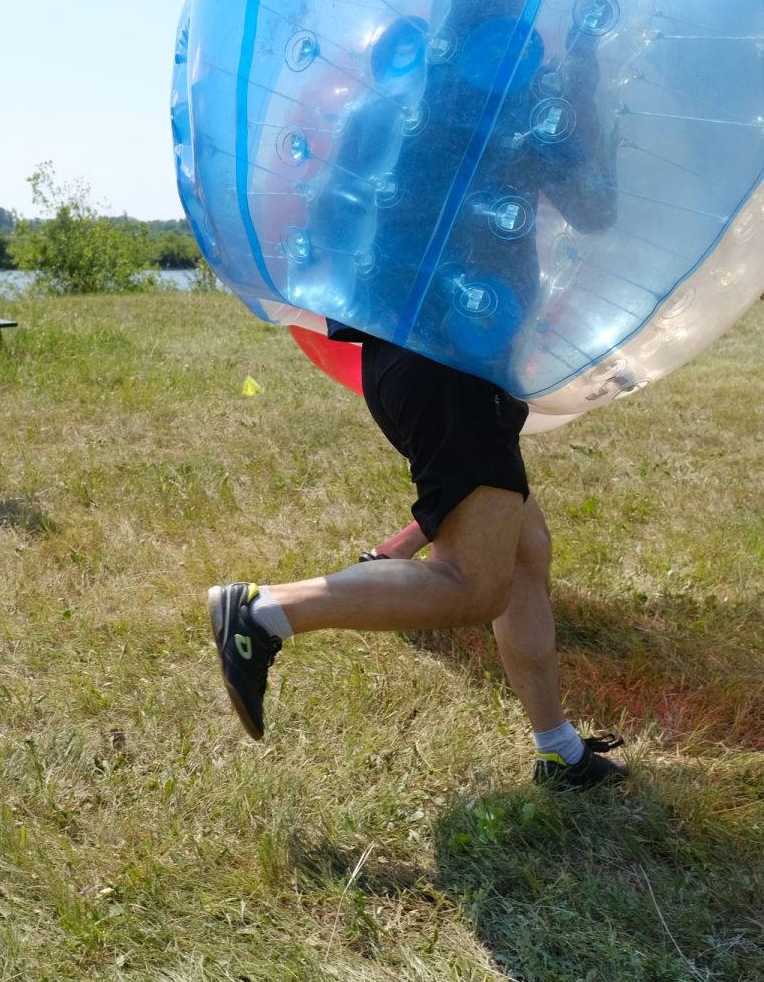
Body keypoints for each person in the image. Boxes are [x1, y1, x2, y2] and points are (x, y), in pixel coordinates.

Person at [207, 331, 627, 790]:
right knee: (473, 586)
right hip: (451, 369)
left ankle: (560, 754)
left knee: (525, 551)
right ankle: (261, 613)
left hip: (415, 360)